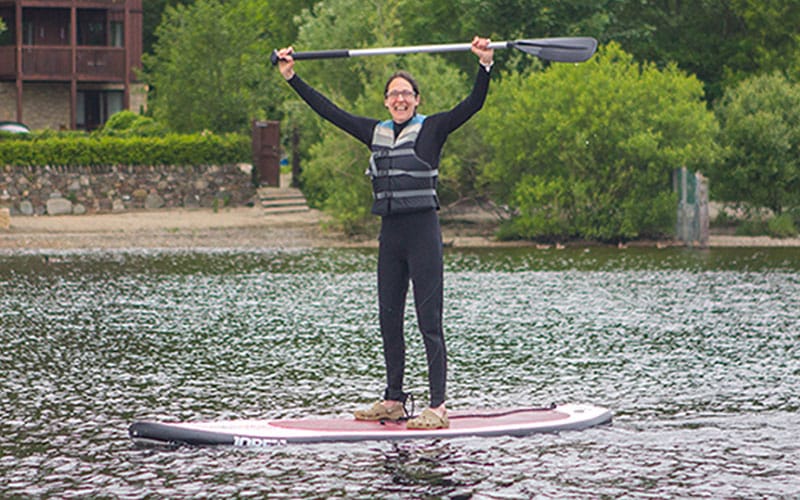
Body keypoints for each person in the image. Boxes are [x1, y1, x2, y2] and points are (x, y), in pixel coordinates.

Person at [275, 37, 493, 430]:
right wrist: (292, 78)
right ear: (386, 101)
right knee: (389, 320)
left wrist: (484, 66)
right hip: (390, 237)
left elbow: (473, 104)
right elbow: (329, 111)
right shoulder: (374, 131)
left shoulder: (433, 128)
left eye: (406, 94)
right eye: (394, 94)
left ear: (417, 100)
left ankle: (438, 407)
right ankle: (394, 399)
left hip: (423, 233)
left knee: (429, 322)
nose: (400, 99)